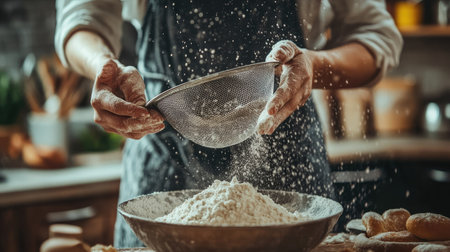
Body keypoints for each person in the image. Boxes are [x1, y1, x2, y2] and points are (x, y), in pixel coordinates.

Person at [55, 0, 402, 248]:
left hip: (285, 160)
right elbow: (81, 17)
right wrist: (102, 64)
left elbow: (376, 35)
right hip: (163, 166)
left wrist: (313, 65)